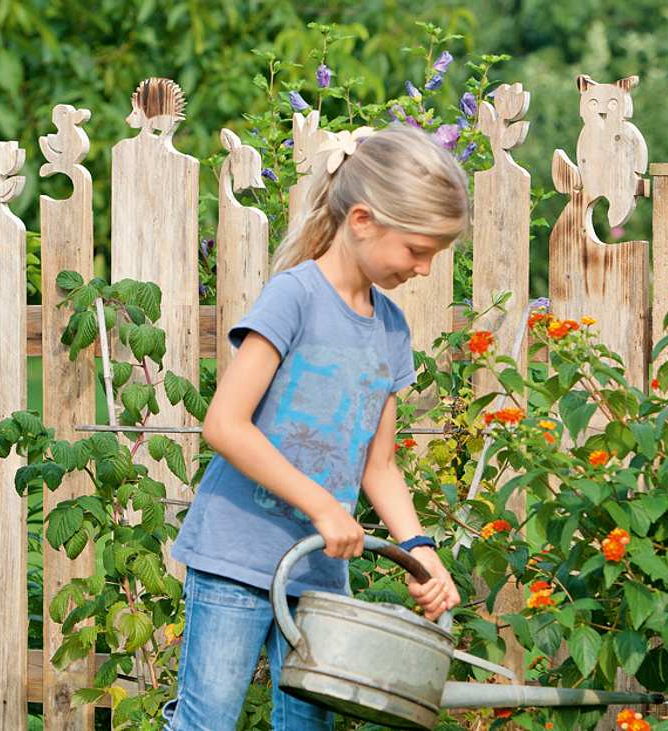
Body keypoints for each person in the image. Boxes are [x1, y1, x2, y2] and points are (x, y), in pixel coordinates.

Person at [162, 123, 469, 731]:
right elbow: (224, 424)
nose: (426, 269)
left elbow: (379, 466)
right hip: (237, 555)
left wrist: (421, 552)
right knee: (210, 720)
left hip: (320, 575)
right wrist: (325, 507)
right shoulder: (293, 298)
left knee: (307, 727)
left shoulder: (390, 330)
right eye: (417, 250)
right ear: (362, 220)